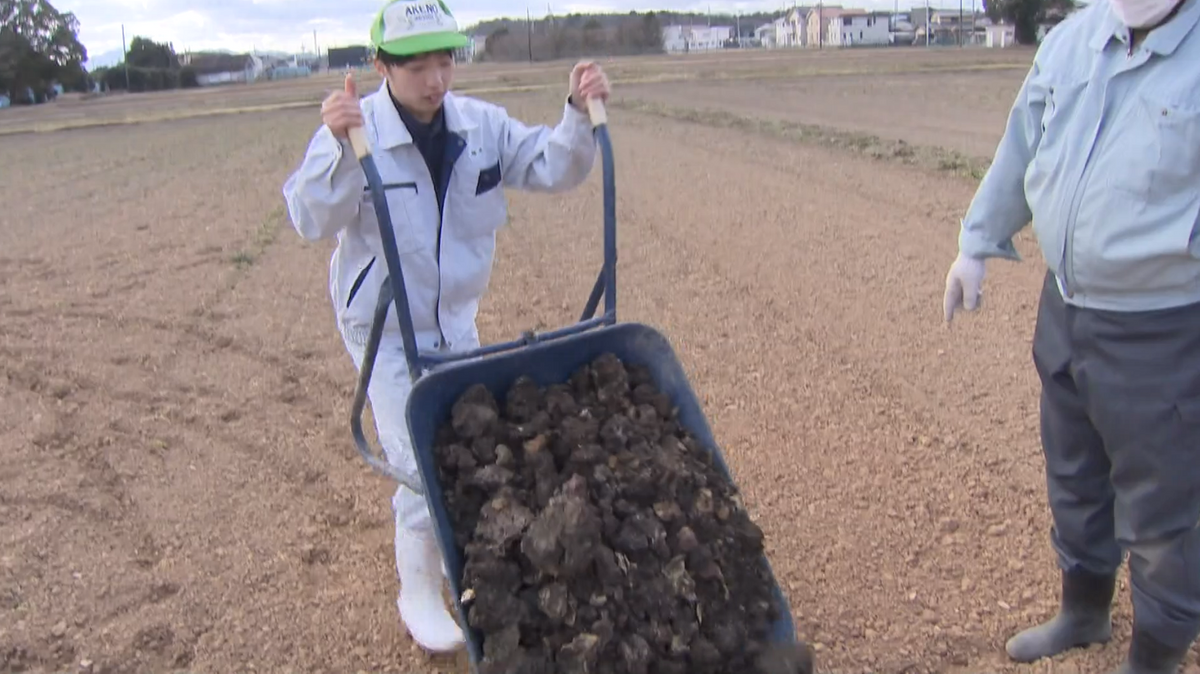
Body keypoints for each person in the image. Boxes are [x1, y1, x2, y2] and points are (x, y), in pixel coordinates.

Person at [281, 0, 610, 654]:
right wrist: (338, 149)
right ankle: (416, 587)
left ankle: (474, 568)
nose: (436, 79)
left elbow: (553, 166)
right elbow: (309, 219)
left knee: (462, 438)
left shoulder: (479, 126)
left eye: (445, 61)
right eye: (417, 65)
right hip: (382, 324)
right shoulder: (357, 126)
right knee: (416, 452)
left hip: (452, 320)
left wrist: (576, 112)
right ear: (381, 67)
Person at [942, 0, 1200, 670]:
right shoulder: (1070, 43)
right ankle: (1084, 613)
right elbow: (1022, 144)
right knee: (1075, 472)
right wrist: (976, 242)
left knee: (1164, 506)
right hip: (1066, 309)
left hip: (1163, 326)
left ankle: (1156, 655)